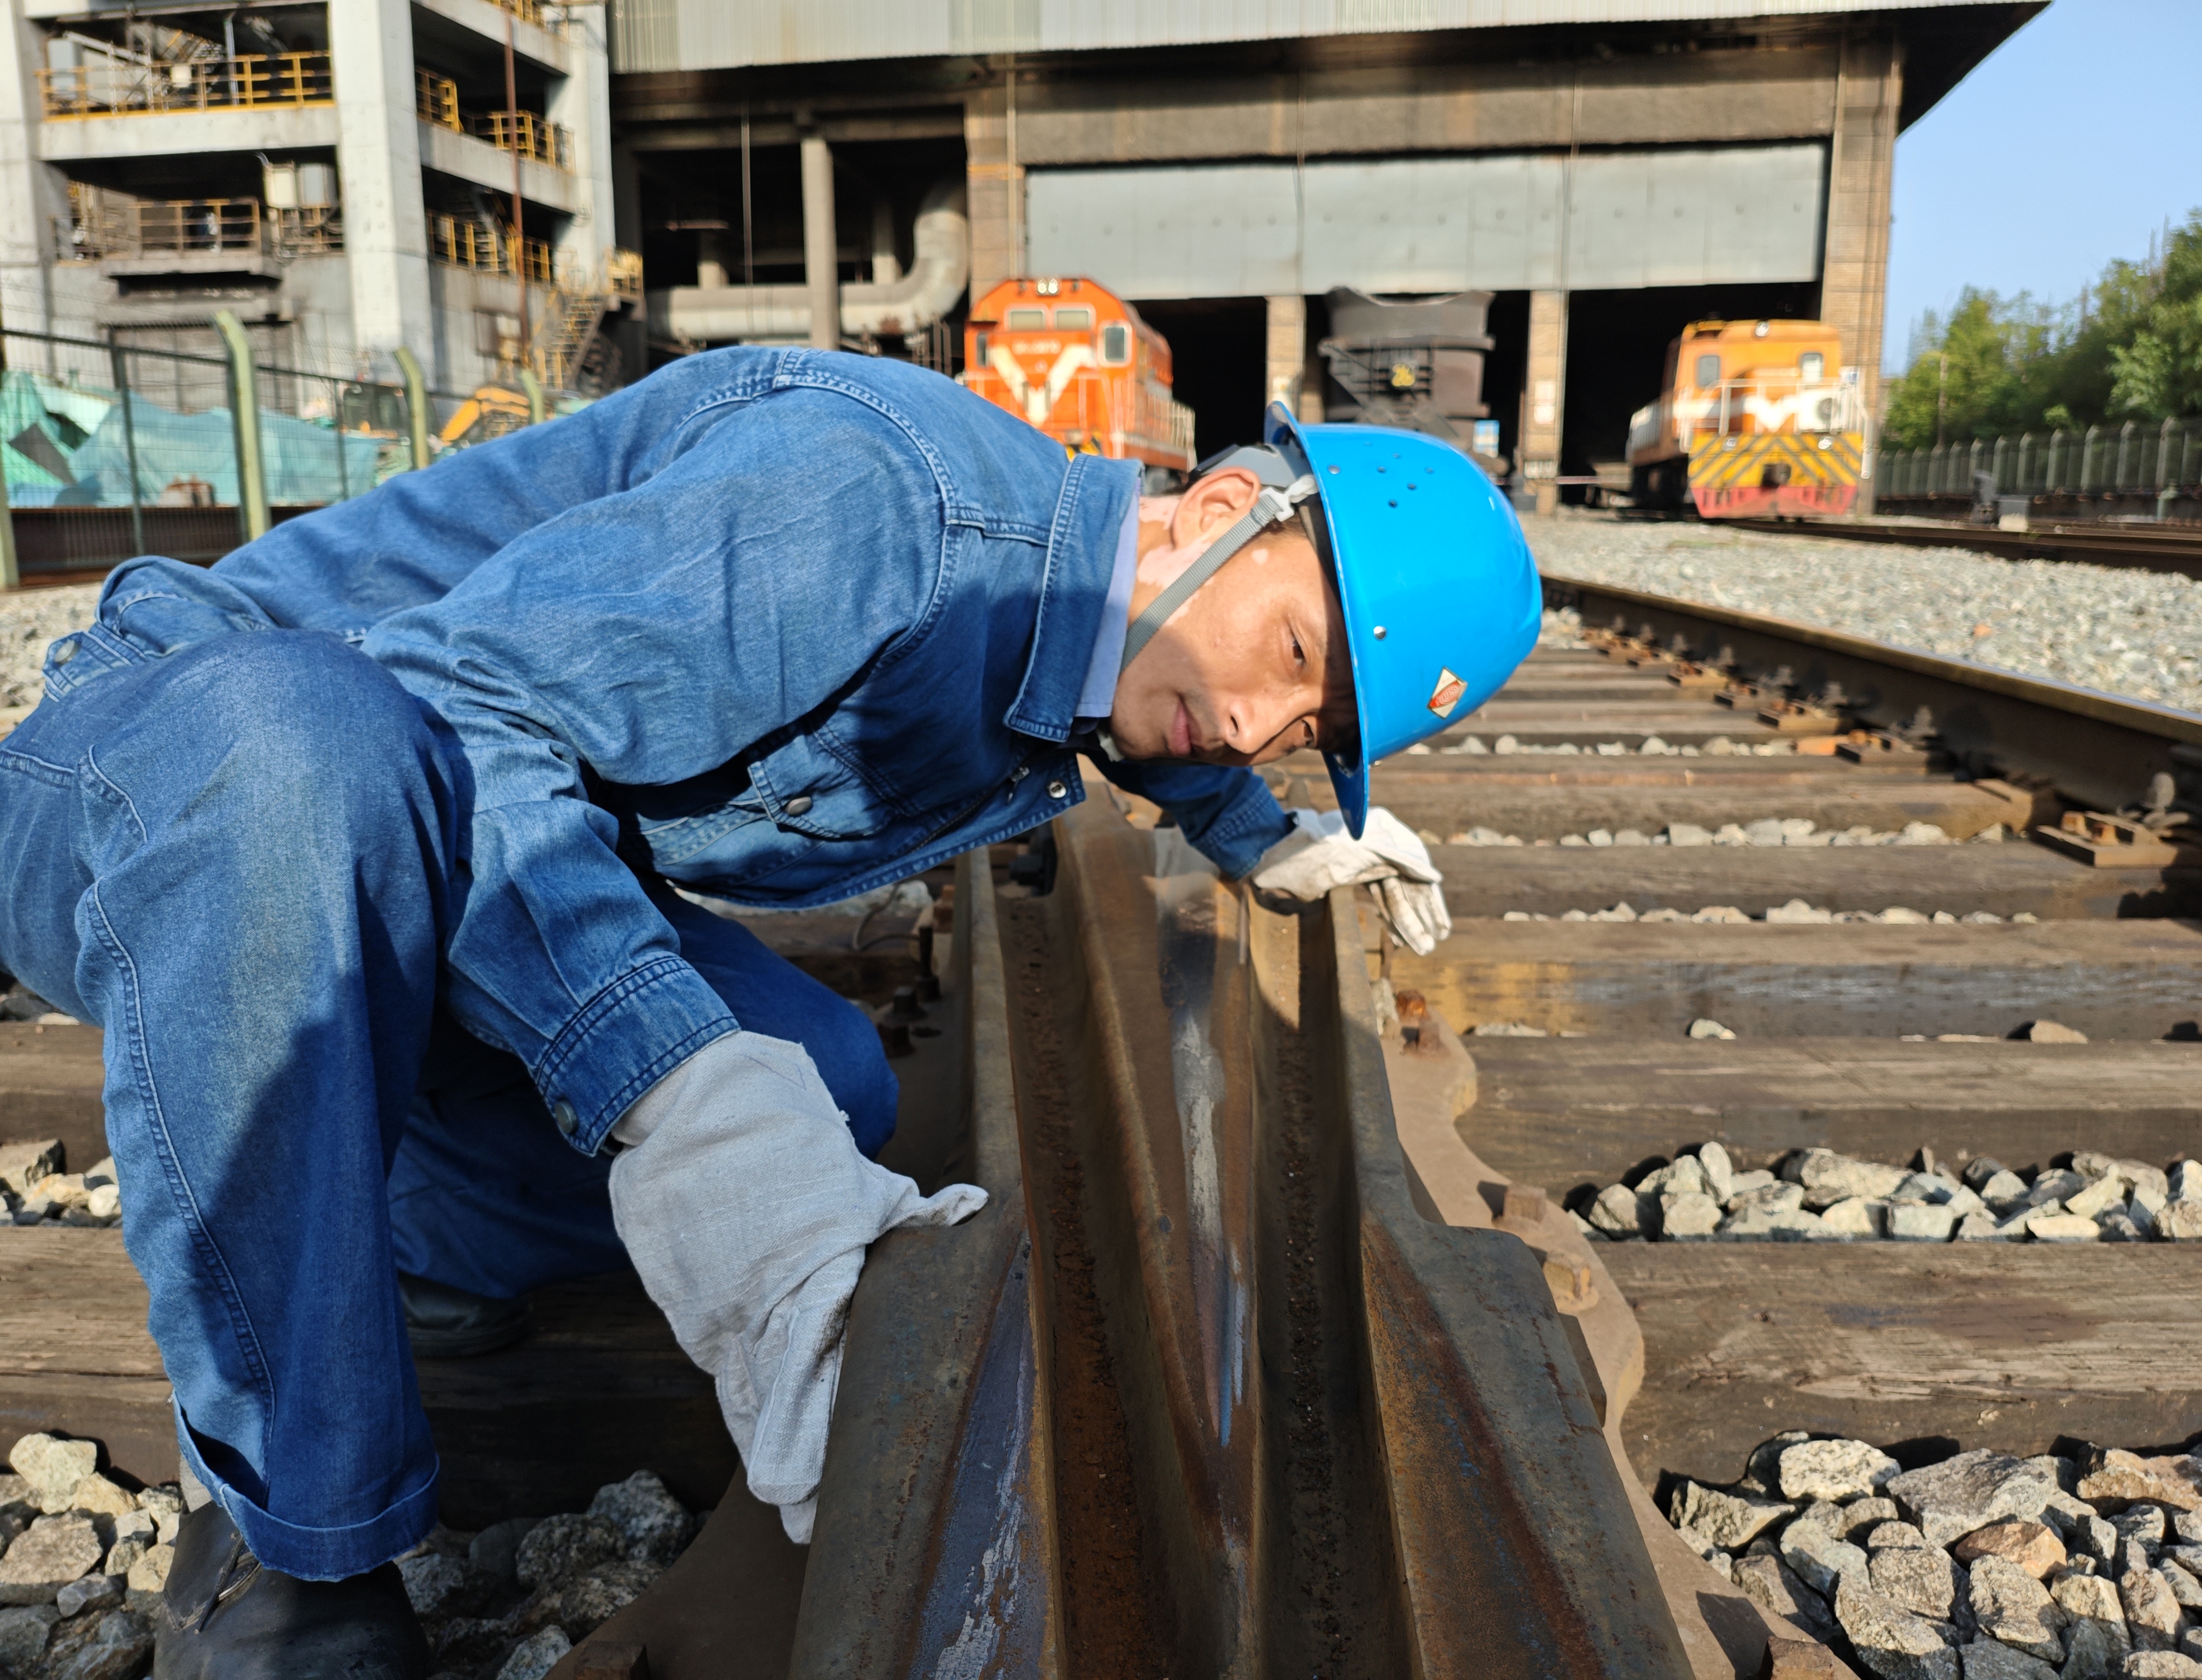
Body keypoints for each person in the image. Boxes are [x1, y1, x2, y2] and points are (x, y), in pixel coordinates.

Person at [0, 347, 1538, 1678]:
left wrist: (1259, 831)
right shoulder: (875, 501)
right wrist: (677, 1088)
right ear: (1216, 510)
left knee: (828, 1083)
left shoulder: (1089, 592)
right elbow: (455, 719)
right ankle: (292, 1539)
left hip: (433, 837)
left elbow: (1156, 685)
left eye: (1308, 730)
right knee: (324, 759)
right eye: (1292, 661)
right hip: (199, 770)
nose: (1264, 722)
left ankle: (380, 1223)